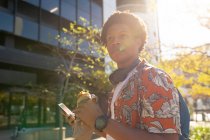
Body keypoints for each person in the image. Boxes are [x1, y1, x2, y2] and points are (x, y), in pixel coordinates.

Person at [74, 11, 188, 140]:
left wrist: (100, 119)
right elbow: (114, 134)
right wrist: (90, 121)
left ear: (138, 41)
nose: (115, 41)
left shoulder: (153, 76)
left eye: (123, 36)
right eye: (110, 38)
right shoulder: (119, 85)